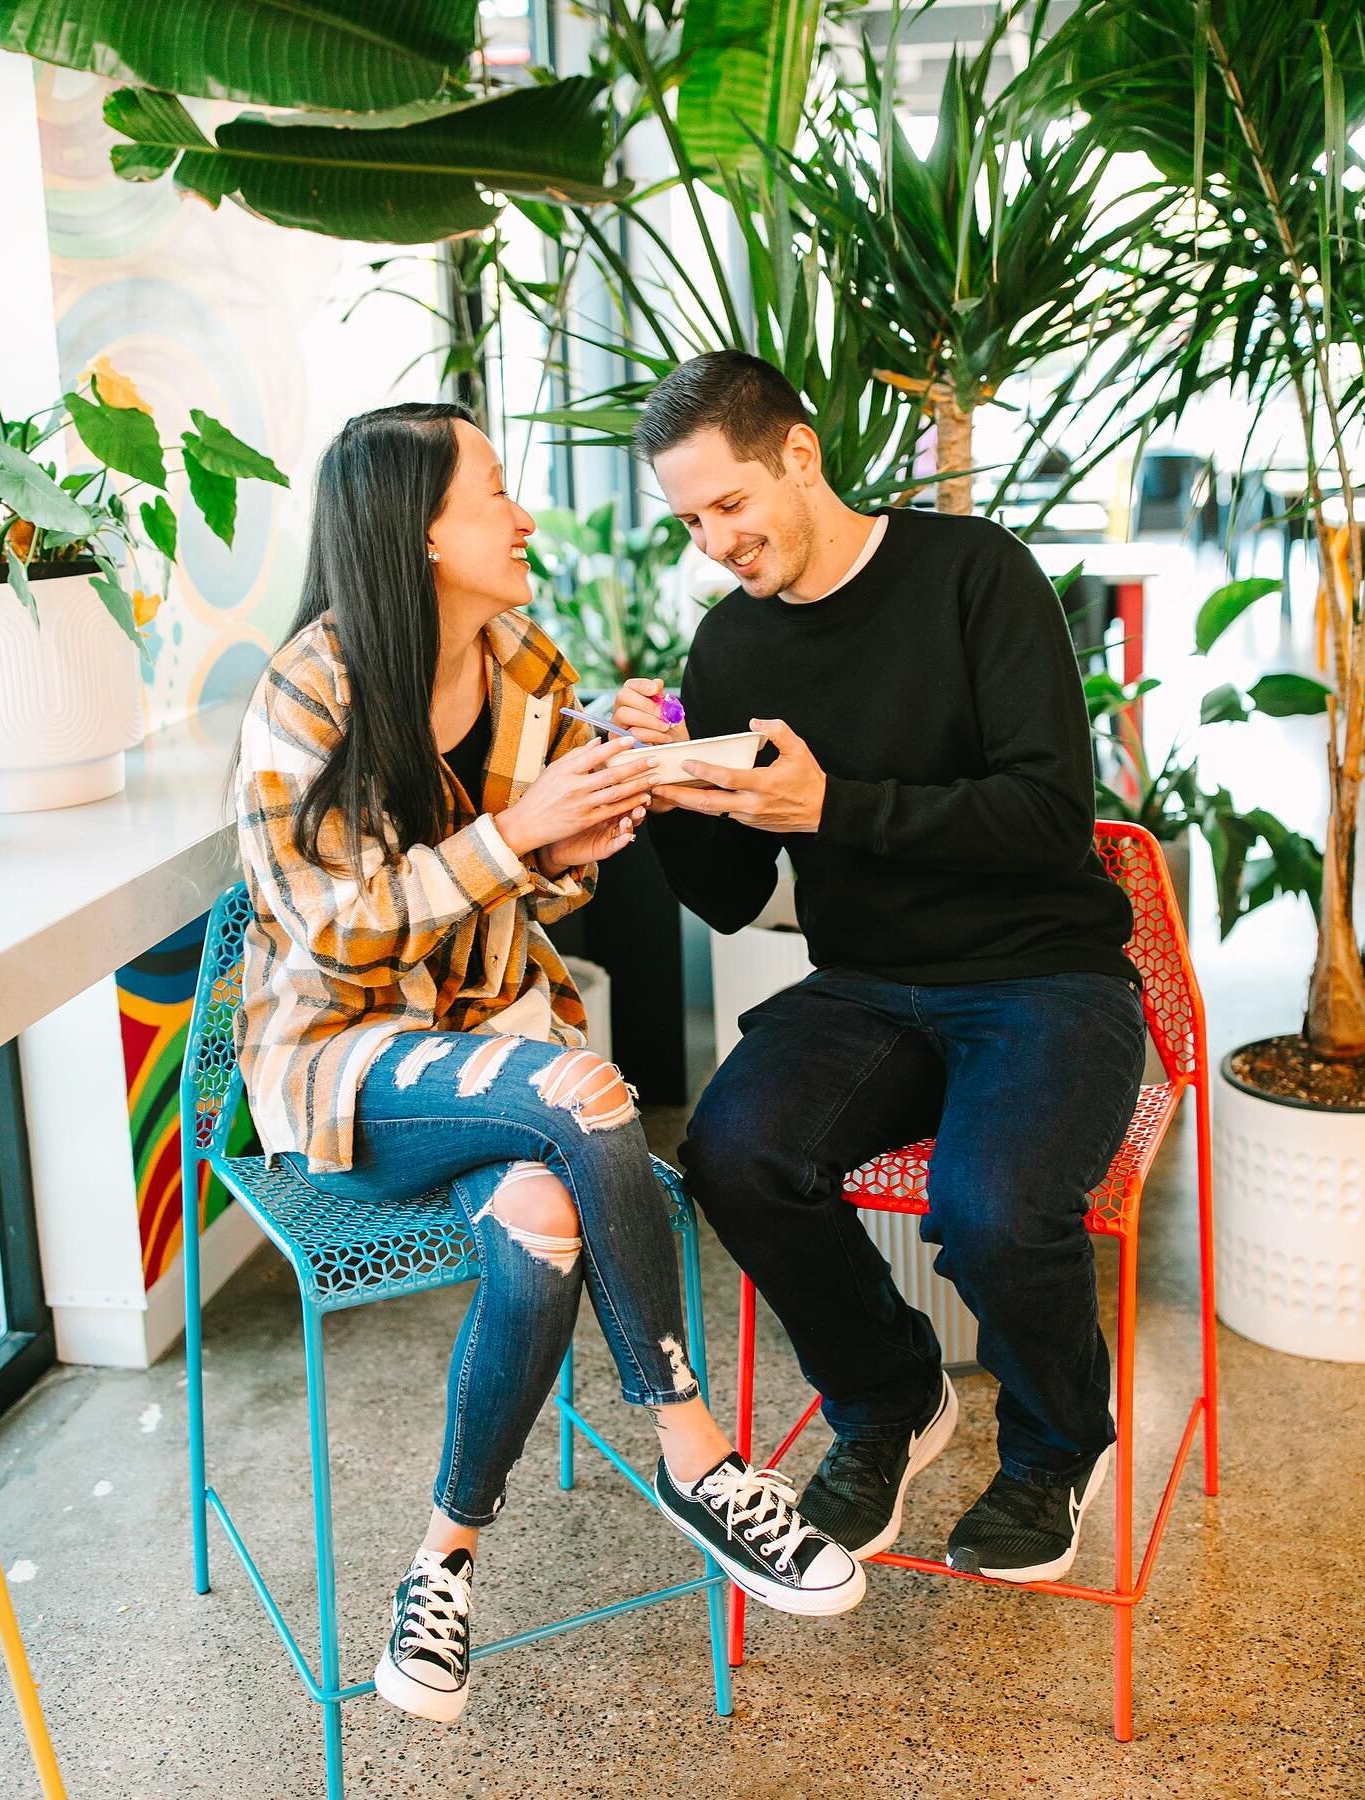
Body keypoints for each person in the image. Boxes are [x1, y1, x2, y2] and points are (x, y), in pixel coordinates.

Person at [233, 401, 864, 1728]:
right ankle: (697, 1457)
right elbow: (327, 932)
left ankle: (441, 1563)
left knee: (541, 1215)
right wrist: (520, 834)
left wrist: (633, 790)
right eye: (498, 491)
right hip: (345, 1062)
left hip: (494, 1037)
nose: (524, 515)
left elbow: (547, 883)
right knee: (584, 1091)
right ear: (420, 532)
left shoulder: (520, 658)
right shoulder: (311, 688)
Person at [612, 351, 1146, 1584]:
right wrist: (670, 793)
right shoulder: (728, 647)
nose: (717, 543)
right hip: (867, 987)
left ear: (799, 454)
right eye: (692, 521)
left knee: (995, 1212)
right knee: (735, 1156)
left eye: (730, 505)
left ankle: (1061, 1445)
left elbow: (1049, 817)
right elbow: (739, 899)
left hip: (1043, 973)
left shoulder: (975, 574)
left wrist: (834, 807)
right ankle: (891, 1401)